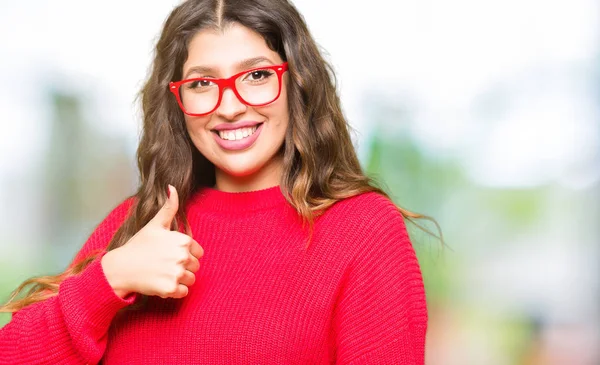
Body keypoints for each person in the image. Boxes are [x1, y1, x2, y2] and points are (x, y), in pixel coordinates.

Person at [0, 0, 433, 363]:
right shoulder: (138, 226)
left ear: (296, 82)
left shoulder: (363, 231)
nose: (229, 106)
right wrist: (108, 279)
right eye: (203, 82)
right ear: (178, 100)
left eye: (257, 75)